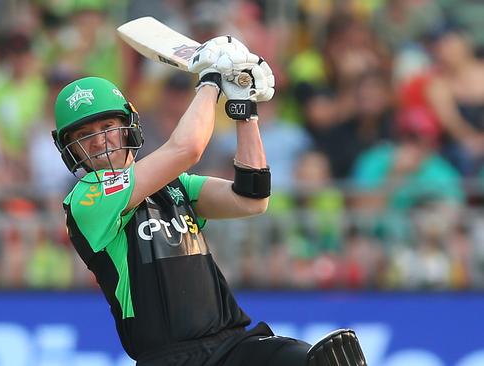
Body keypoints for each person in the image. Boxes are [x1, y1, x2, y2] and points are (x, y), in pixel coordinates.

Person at [52, 36, 367, 366]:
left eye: (108, 126)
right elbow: (188, 149)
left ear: (127, 127)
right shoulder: (86, 201)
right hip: (169, 358)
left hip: (233, 344)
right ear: (71, 150)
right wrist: (211, 79)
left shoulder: (175, 186)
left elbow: (250, 197)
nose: (101, 141)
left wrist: (243, 107)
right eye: (85, 136)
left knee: (322, 360)